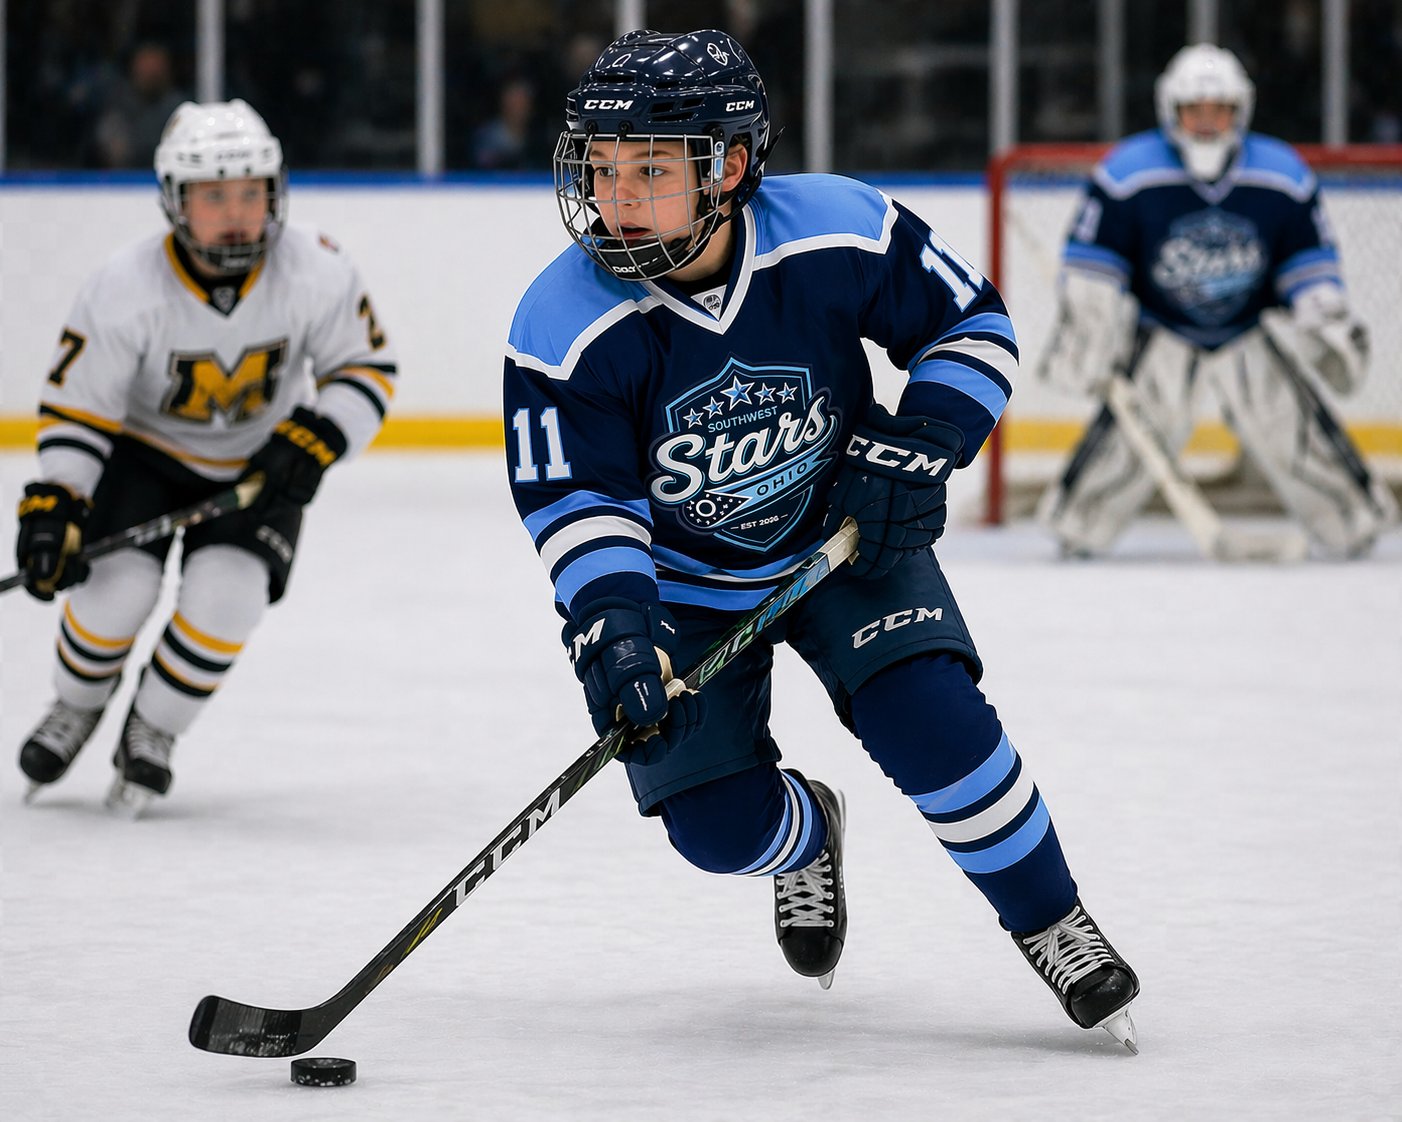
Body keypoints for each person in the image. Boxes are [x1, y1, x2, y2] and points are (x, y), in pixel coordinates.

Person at [503, 29, 1141, 1050]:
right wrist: (618, 629)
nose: (615, 196)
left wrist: (923, 440)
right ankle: (808, 834)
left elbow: (969, 324)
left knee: (936, 726)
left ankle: (1052, 919)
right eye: (601, 166)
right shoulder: (561, 320)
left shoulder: (835, 229)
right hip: (685, 590)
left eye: (652, 169)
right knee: (717, 836)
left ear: (732, 165)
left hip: (844, 536)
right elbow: (579, 501)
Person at [14, 99, 397, 813]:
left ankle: (152, 729)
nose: (237, 212)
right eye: (214, 195)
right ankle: (75, 705)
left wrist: (317, 438)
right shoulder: (123, 287)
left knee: (229, 600)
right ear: (174, 200)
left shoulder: (315, 268)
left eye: (251, 193)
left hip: (261, 466)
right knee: (113, 596)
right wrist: (60, 499)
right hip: (146, 458)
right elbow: (80, 409)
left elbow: (365, 369)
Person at [1035, 43, 1396, 558]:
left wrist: (1322, 312)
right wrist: (1089, 328)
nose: (1207, 122)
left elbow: (1308, 257)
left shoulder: (1281, 174)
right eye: (1194, 110)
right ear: (1170, 111)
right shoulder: (1128, 172)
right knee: (1133, 438)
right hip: (1162, 327)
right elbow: (1094, 262)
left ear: (1240, 111)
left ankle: (1351, 524)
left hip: (1248, 326)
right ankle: (1078, 528)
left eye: (1219, 109)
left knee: (1291, 430)